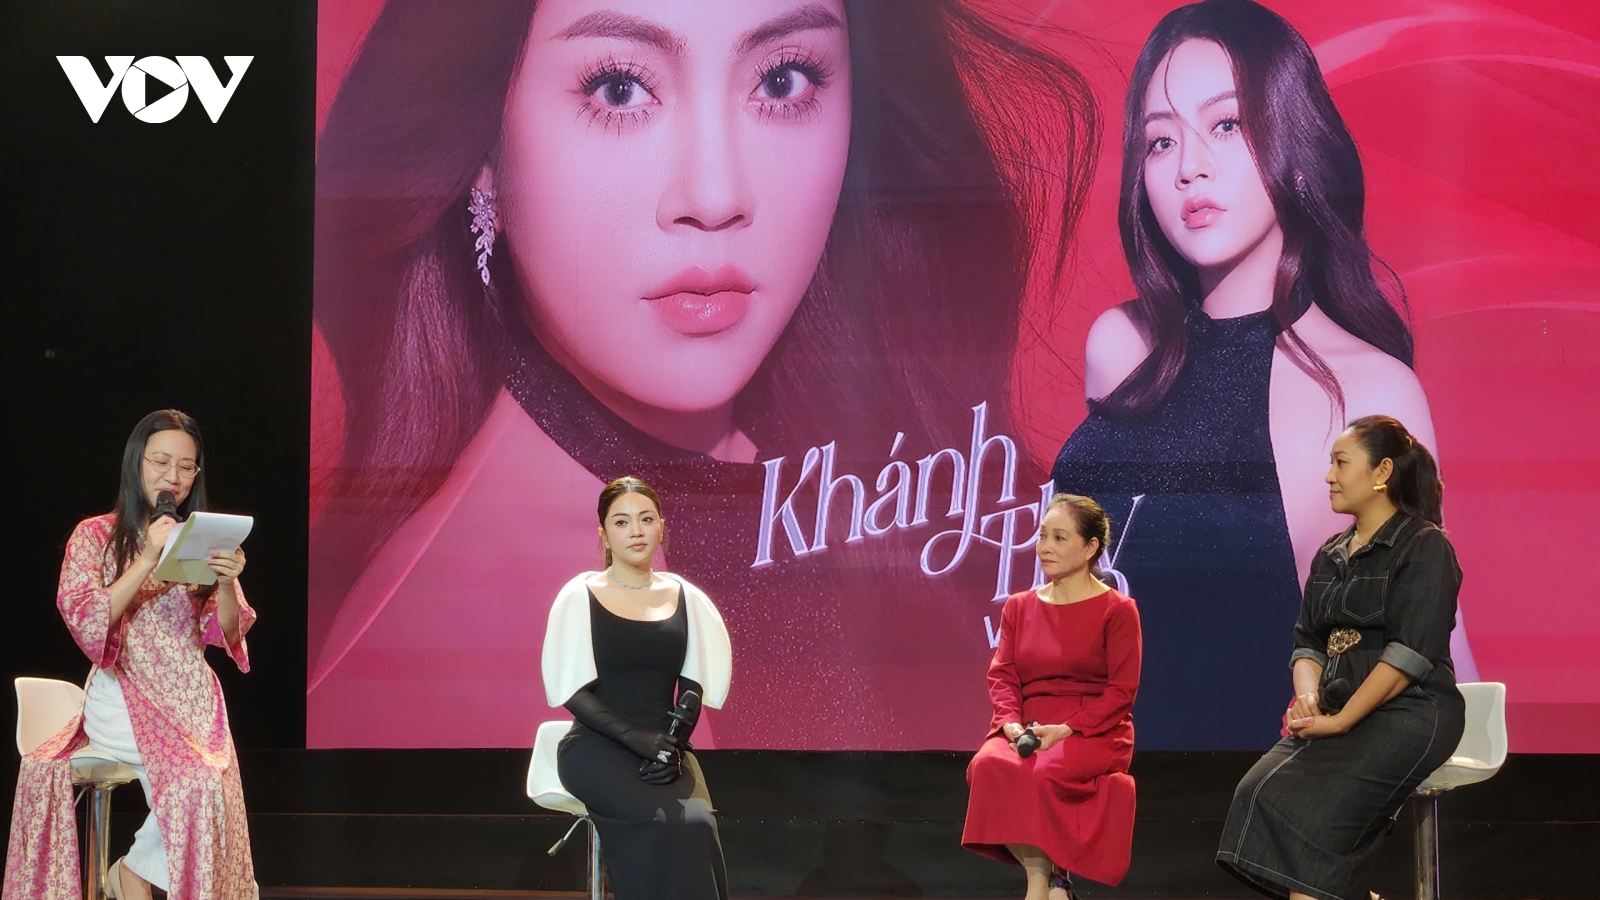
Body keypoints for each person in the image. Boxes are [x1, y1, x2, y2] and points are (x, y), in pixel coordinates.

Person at [308, 0, 1098, 749]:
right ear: (483, 152)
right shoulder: (468, 649)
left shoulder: (864, 480)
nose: (717, 196)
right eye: (619, 89)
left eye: (782, 80)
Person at [1048, 0, 1472, 750]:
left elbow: (1434, 653)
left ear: (1296, 145)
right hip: (1101, 777)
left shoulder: (1365, 391)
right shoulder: (1122, 349)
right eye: (1160, 140)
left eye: (1227, 124)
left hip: (1259, 781)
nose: (1189, 166)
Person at [3, 410, 257, 900]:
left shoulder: (199, 539)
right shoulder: (94, 536)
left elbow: (227, 632)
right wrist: (146, 558)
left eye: (186, 467)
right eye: (161, 462)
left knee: (214, 786)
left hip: (192, 699)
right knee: (197, 782)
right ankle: (132, 877)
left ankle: (131, 873)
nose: (173, 477)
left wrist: (227, 581)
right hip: (124, 692)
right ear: (136, 462)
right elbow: (87, 619)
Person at [1216, 416, 1465, 900]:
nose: (1329, 476)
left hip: (1410, 712)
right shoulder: (1330, 554)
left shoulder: (1424, 545)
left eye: (1341, 463)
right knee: (1259, 792)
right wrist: (1309, 700)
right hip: (1338, 710)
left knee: (1315, 818)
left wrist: (1343, 721)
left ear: (1382, 471)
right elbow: (1308, 642)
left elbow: (1409, 655)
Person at [541, 477, 733, 899]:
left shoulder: (686, 597)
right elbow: (572, 691)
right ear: (604, 534)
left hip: (665, 750)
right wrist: (634, 738)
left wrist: (672, 745)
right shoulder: (580, 595)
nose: (636, 531)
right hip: (598, 747)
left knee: (697, 823)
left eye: (646, 519)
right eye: (622, 522)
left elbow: (693, 686)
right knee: (658, 821)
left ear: (661, 527)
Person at [963, 494, 1141, 898]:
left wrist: (1066, 729)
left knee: (1045, 773)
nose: (1045, 547)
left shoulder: (1117, 610)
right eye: (1043, 536)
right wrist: (1010, 724)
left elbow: (1122, 691)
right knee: (987, 766)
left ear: (1090, 548)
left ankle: (1040, 888)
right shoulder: (1018, 606)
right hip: (1028, 725)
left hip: (1092, 729)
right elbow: (1003, 676)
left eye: (1059, 538)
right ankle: (1051, 881)